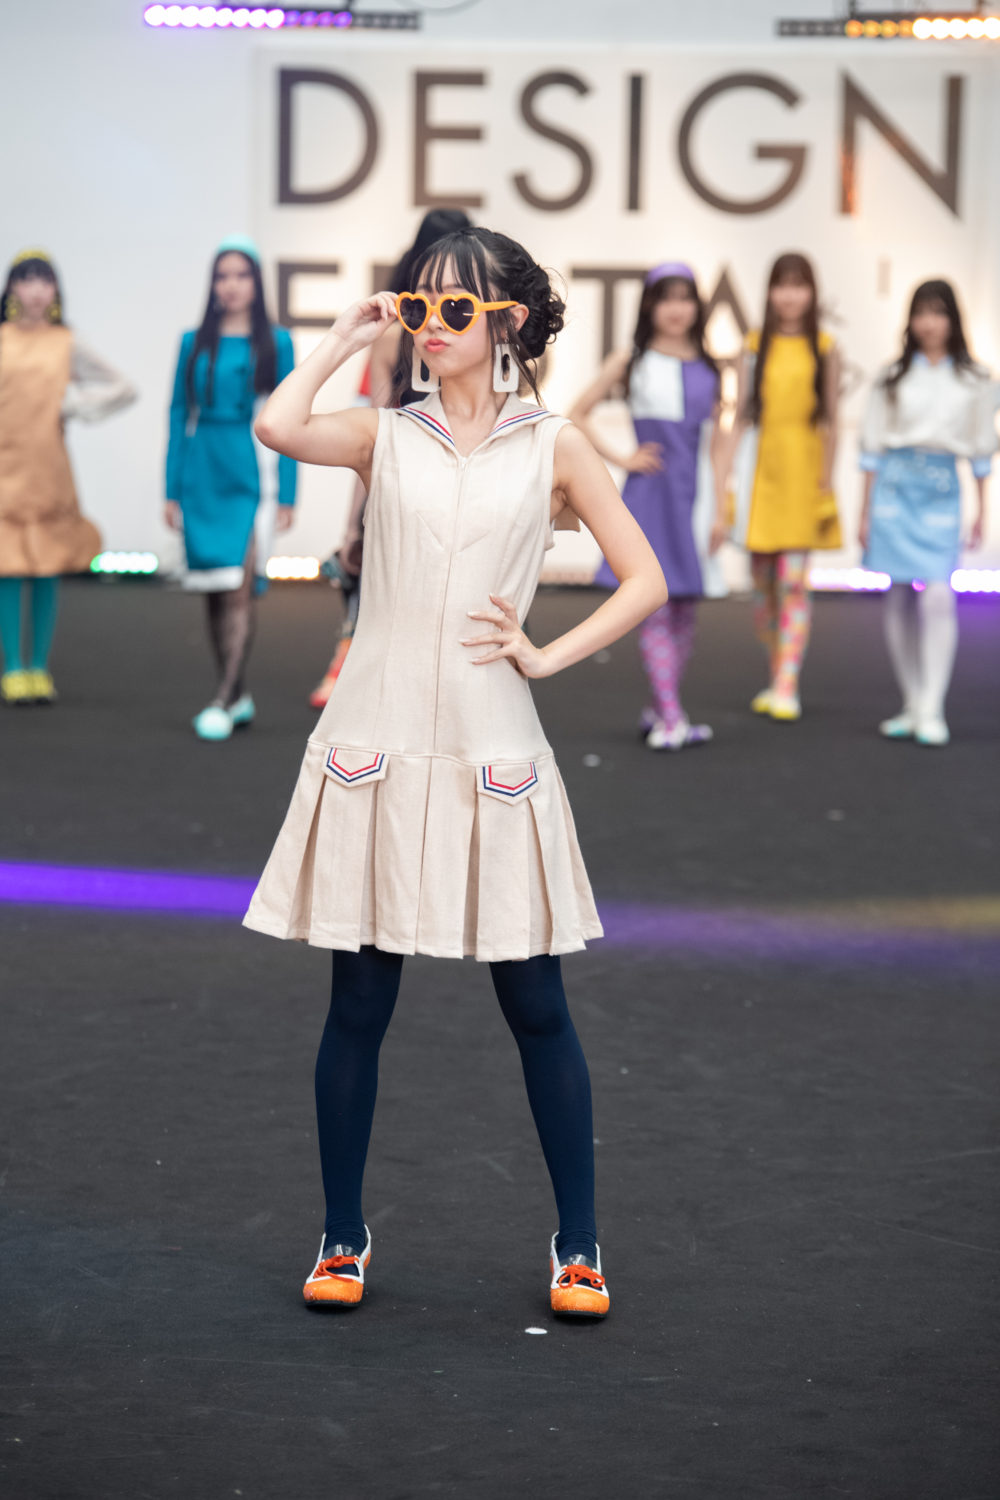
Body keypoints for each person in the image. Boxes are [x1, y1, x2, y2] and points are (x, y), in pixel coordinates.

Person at [244, 225, 668, 1318]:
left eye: (456, 309)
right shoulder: (386, 434)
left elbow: (644, 578)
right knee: (357, 1002)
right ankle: (342, 1237)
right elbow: (276, 424)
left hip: (494, 752)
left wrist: (547, 655)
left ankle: (580, 1246)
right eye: (419, 305)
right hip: (374, 745)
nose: (432, 325)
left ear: (506, 320)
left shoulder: (554, 444)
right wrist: (347, 335)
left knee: (537, 1004)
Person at [308, 209, 472, 709]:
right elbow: (376, 428)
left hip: (426, 472)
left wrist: (353, 522)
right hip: (417, 471)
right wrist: (353, 522)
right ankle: (358, 673)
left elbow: (375, 431)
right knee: (387, 583)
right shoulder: (396, 334)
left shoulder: (412, 334)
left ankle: (356, 675)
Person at [569, 261, 727, 750]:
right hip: (652, 494)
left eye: (685, 298)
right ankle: (672, 715)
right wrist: (623, 457)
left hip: (694, 495)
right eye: (666, 298)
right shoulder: (630, 361)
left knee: (685, 605)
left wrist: (722, 506)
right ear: (650, 306)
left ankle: (662, 709)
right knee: (654, 601)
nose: (676, 309)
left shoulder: (711, 367)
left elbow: (718, 441)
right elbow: (577, 413)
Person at [165, 235, 296, 740]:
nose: (231, 285)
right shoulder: (191, 341)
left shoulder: (277, 342)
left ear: (256, 283)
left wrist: (288, 492)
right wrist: (171, 489)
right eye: (223, 276)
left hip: (252, 470)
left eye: (241, 275)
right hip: (203, 471)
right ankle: (236, 695)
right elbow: (178, 414)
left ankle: (223, 696)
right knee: (215, 588)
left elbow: (291, 416)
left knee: (239, 586)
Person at [859, 279, 997, 746]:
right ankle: (912, 701)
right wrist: (864, 511)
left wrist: (982, 509)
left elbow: (982, 448)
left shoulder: (976, 380)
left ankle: (932, 705)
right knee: (898, 593)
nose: (929, 323)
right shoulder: (891, 376)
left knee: (938, 594)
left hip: (941, 489)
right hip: (894, 487)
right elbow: (871, 445)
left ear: (953, 319)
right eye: (920, 313)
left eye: (938, 313)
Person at [0, 249, 135, 705]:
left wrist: (74, 404)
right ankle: (13, 667)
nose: (36, 290)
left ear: (55, 289)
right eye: (27, 280)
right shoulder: (2, 339)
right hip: (4, 467)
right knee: (7, 567)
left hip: (47, 466)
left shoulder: (65, 342)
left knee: (46, 567)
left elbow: (121, 386)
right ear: (12, 288)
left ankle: (39, 666)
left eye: (45, 281)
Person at [720, 252, 841, 721]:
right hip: (760, 473)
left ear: (813, 292)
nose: (790, 295)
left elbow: (831, 419)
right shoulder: (753, 345)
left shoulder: (825, 346)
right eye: (782, 284)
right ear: (769, 292)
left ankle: (786, 683)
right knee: (762, 584)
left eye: (799, 285)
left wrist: (825, 482)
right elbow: (741, 415)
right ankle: (776, 673)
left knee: (793, 581)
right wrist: (725, 480)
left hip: (802, 473)